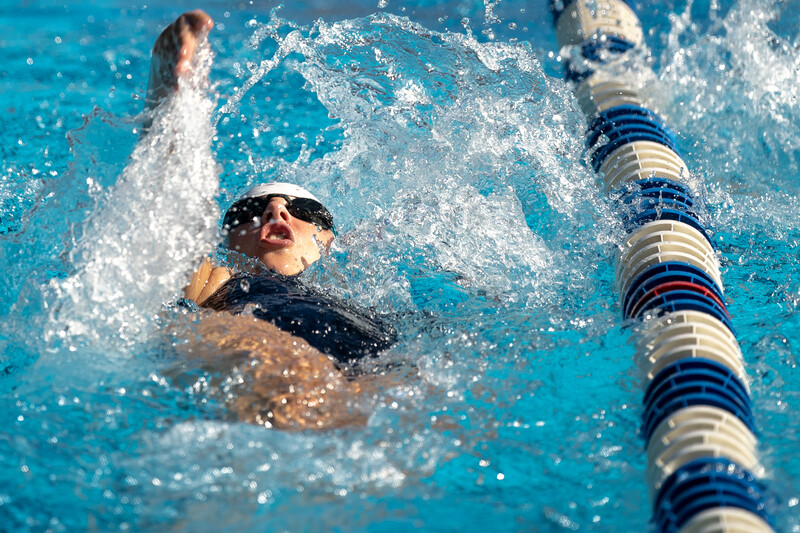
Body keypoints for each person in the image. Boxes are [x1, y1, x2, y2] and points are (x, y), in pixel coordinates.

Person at [147, 10, 395, 429]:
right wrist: (172, 99)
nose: (276, 211)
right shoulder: (217, 281)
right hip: (272, 352)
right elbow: (160, 217)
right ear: (227, 242)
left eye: (303, 211)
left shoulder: (376, 296)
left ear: (328, 238)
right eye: (248, 212)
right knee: (299, 390)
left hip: (384, 375)